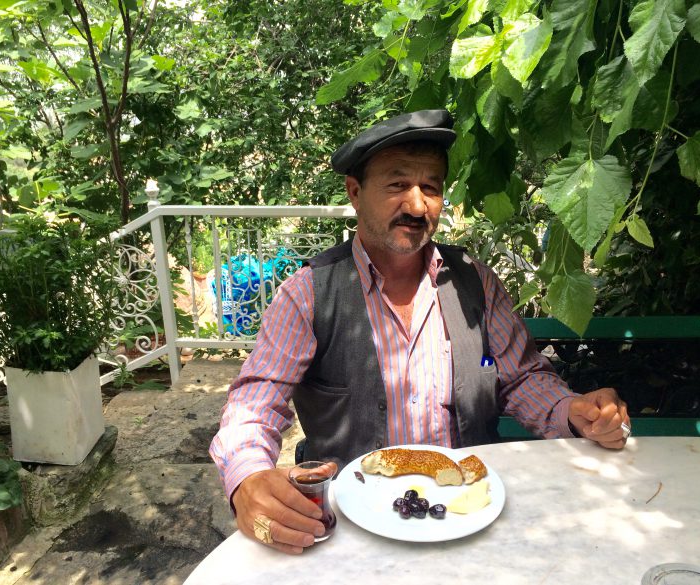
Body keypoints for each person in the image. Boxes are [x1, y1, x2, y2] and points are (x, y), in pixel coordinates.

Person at [209, 109, 630, 554]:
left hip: (469, 515)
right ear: (355, 192)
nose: (416, 205)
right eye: (396, 185)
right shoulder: (310, 294)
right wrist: (249, 478)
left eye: (430, 187)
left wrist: (572, 410)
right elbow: (254, 404)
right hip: (357, 528)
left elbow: (521, 377)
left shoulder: (474, 281)